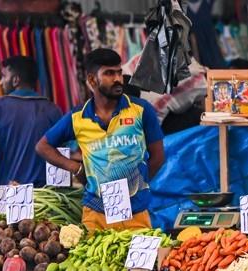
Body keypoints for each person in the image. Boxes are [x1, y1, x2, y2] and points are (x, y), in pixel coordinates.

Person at [36, 48, 165, 232]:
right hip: (95, 214)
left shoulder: (141, 110)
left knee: (137, 262)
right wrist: (75, 168)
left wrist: (138, 184)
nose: (117, 79)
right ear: (91, 80)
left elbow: (158, 156)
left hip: (136, 213)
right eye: (109, 73)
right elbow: (43, 146)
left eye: (119, 72)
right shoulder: (77, 117)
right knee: (94, 260)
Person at [0, 56, 62, 188]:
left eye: (4, 76)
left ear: (16, 80)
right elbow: (62, 155)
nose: (0, 82)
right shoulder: (53, 110)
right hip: (41, 198)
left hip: (2, 196)